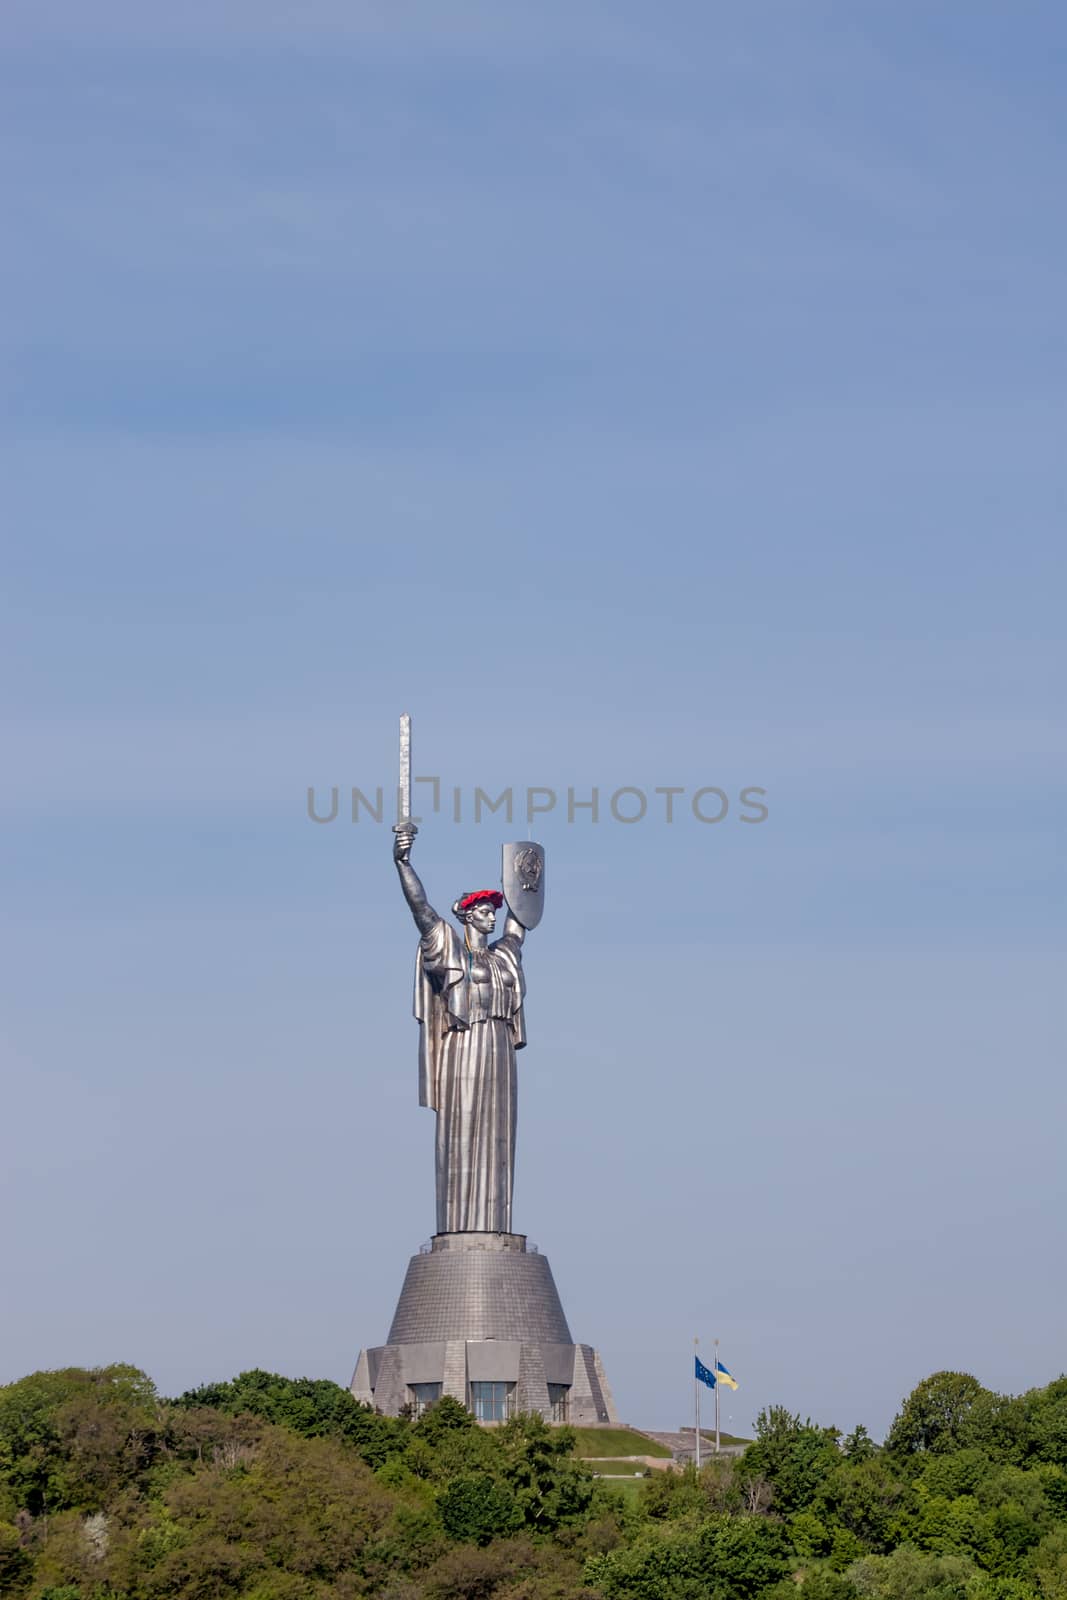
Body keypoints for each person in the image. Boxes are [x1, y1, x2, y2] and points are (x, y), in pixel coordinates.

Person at [392, 822, 528, 1234]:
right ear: (468, 914)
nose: (492, 916)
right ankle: (460, 1225)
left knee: (499, 1136)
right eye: (485, 910)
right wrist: (402, 861)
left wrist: (526, 879)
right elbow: (421, 909)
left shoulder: (503, 956)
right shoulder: (449, 946)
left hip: (499, 1048)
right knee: (464, 1127)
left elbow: (521, 923)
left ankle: (496, 1225)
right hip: (463, 1044)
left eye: (494, 911)